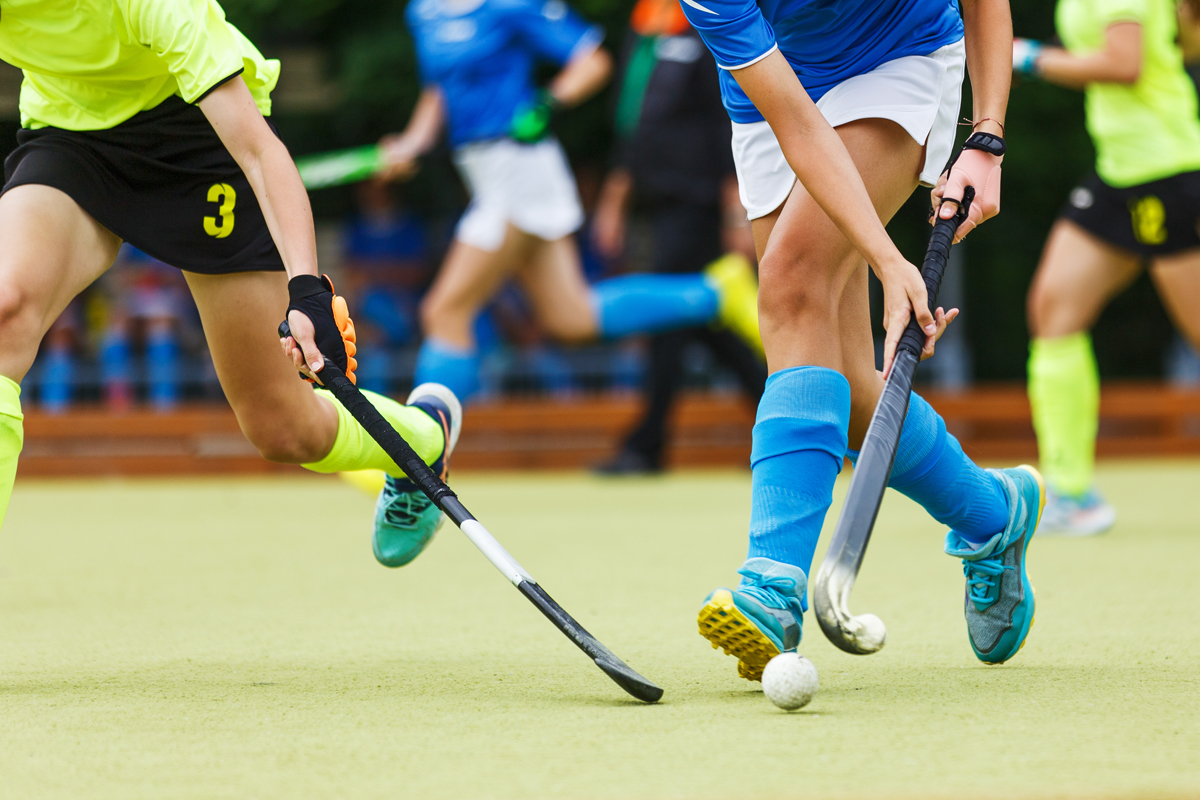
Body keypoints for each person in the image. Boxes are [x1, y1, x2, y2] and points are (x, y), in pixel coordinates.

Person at [0, 0, 459, 573]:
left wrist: (307, 290)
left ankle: (425, 438)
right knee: (5, 310)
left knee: (284, 431)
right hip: (72, 141)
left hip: (200, 143)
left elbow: (259, 152)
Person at [679, 0, 1042, 681]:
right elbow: (797, 123)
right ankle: (993, 513)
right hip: (777, 91)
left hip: (898, 57)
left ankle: (772, 586)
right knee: (841, 387)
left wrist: (986, 135)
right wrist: (887, 260)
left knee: (789, 283)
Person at [375, 0, 762, 549]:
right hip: (483, 171)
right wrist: (412, 142)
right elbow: (440, 89)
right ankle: (713, 293)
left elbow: (592, 60)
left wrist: (546, 102)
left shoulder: (509, 4)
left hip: (519, 165)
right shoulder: (422, 11)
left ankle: (418, 475)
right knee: (570, 315)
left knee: (445, 310)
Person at [1017, 0, 1200, 535]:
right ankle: (1071, 495)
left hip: (1165, 175)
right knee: (1052, 311)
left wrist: (1029, 58)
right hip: (1116, 175)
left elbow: (1126, 65)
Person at [591, 0, 767, 475]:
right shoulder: (645, 26)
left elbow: (729, 117)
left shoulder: (709, 19)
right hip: (657, 198)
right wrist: (615, 199)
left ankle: (647, 445)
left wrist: (737, 215)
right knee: (707, 324)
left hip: (700, 199)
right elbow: (635, 122)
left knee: (671, 321)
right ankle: (784, 424)